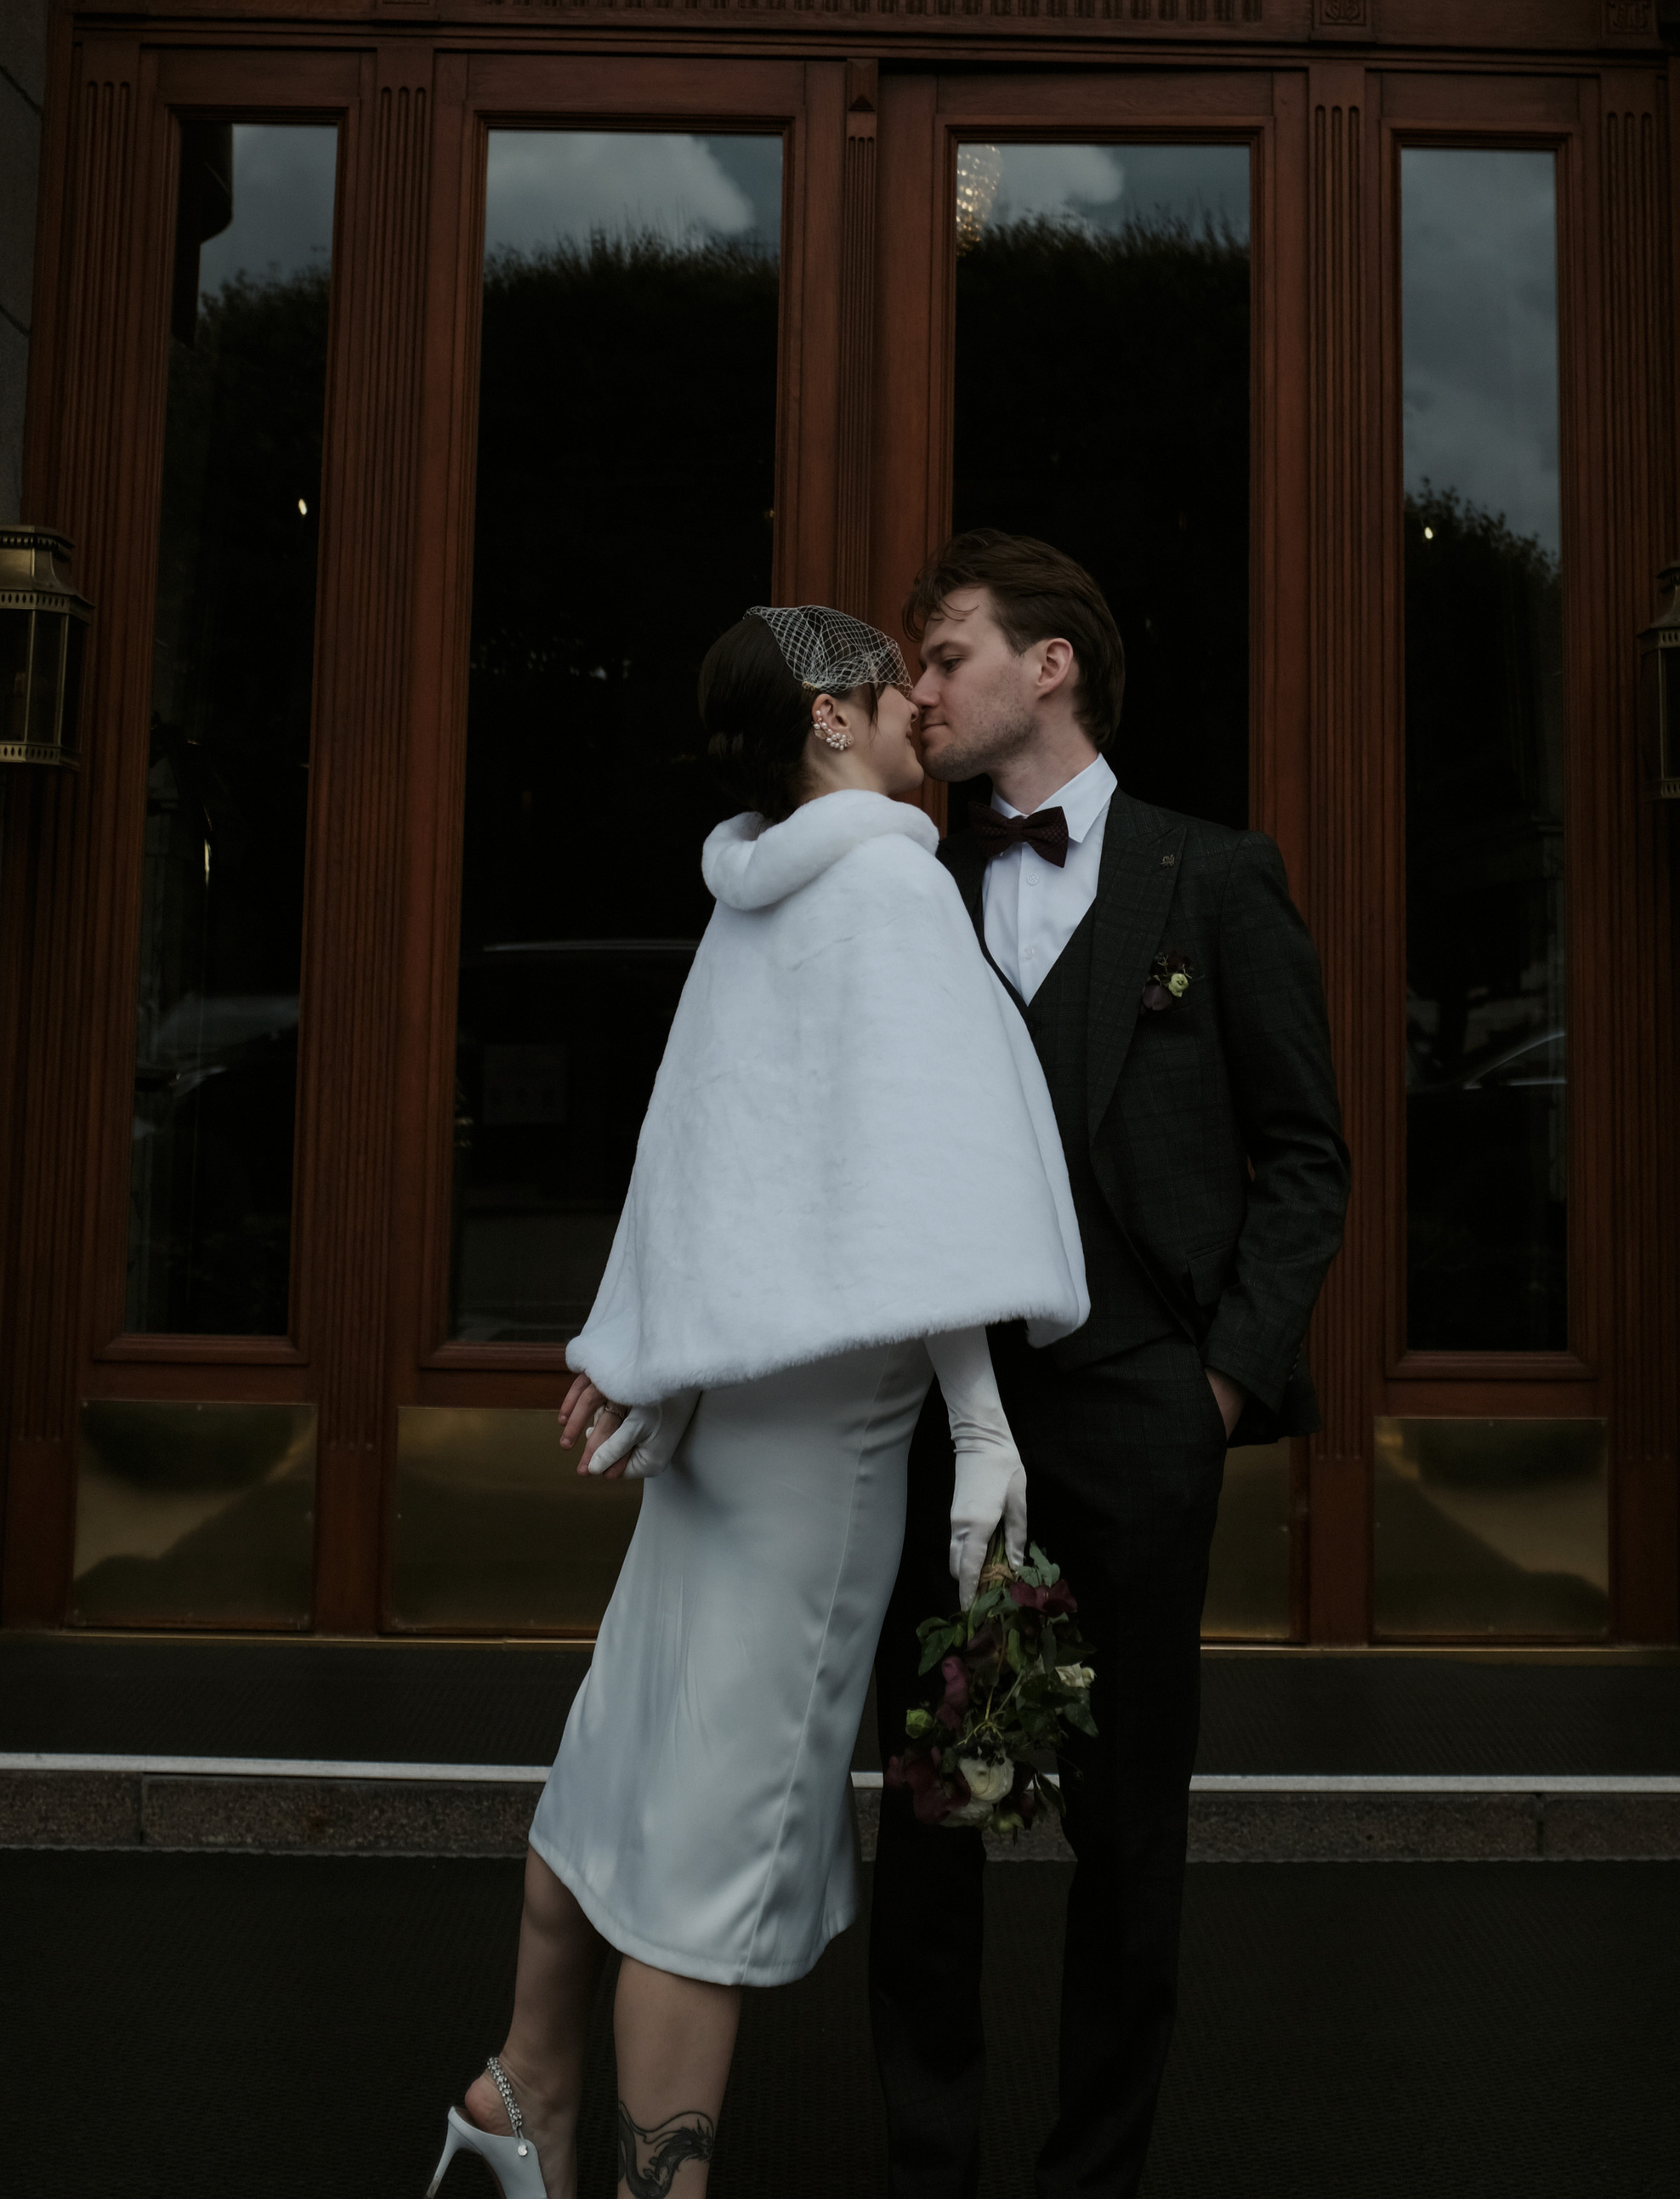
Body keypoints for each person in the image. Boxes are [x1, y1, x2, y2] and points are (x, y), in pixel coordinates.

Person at [429, 603, 1088, 2199]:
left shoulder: (758, 894)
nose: (919, 710)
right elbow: (931, 1189)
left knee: (625, 1767)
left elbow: (711, 1156)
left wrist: (659, 1357)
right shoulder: (884, 888)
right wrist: (985, 1423)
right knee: (708, 1867)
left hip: (727, 1434)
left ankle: (519, 2096)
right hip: (821, 1448)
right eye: (889, 687)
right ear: (826, 721)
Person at [870, 530, 1348, 2199]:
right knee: (925, 1816)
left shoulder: (1211, 880)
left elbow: (1304, 1157)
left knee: (1129, 1829)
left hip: (1145, 1413)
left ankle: (1091, 2177)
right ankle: (926, 2162)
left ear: (1046, 664)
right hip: (938, 1418)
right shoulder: (902, 887)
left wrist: (1215, 1385)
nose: (916, 694)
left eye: (942, 657)